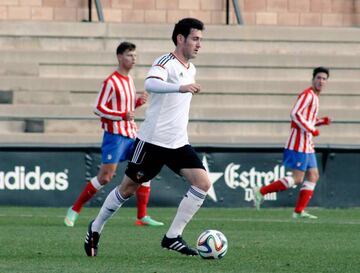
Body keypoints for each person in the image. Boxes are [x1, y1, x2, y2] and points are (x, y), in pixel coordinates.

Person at [84, 18, 210, 257]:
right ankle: (96, 227)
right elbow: (151, 83)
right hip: (152, 141)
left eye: (200, 40)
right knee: (127, 189)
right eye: (195, 39)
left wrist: (183, 87)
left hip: (178, 142)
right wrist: (179, 87)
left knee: (203, 183)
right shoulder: (165, 62)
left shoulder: (191, 69)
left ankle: (172, 236)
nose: (199, 45)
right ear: (180, 38)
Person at [64, 42, 163, 228]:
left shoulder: (129, 80)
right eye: (129, 55)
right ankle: (75, 208)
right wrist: (121, 115)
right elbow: (98, 108)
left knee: (145, 167)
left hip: (131, 134)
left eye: (134, 55)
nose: (133, 58)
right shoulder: (110, 82)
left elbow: (126, 108)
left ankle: (142, 216)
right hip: (114, 136)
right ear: (119, 57)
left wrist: (137, 103)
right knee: (105, 177)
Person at [253, 67, 331, 219]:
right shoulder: (307, 95)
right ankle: (261, 191)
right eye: (319, 78)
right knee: (297, 178)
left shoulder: (315, 97)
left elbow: (307, 119)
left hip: (307, 144)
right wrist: (311, 128)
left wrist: (321, 122)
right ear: (313, 79)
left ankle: (298, 211)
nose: (321, 81)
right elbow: (295, 113)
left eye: (324, 79)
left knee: (313, 175)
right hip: (298, 144)